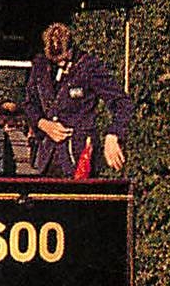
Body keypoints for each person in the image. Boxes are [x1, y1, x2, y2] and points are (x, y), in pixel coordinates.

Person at [25, 22, 131, 177]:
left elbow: (122, 102)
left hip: (79, 159)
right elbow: (29, 104)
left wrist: (113, 134)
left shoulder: (89, 67)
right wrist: (42, 123)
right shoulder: (40, 66)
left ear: (71, 48)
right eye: (54, 62)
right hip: (46, 161)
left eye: (63, 59)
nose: (60, 64)